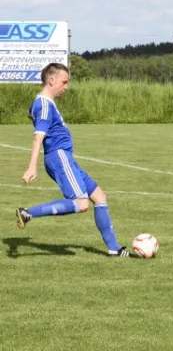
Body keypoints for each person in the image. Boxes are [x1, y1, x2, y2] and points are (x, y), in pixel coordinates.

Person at [15, 63, 129, 257]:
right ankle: (28, 213)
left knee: (99, 197)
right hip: (59, 157)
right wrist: (31, 166)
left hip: (65, 157)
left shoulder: (44, 103)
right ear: (51, 80)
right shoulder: (43, 104)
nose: (66, 87)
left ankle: (114, 248)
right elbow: (38, 136)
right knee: (81, 203)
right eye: (64, 82)